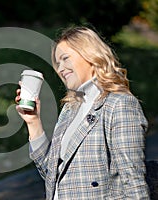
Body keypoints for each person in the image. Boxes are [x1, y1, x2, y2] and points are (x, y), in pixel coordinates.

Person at [15, 25, 150, 199]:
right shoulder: (70, 109)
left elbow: (133, 182)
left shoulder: (119, 104)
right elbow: (52, 177)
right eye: (58, 63)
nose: (61, 68)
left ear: (90, 55)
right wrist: (33, 122)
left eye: (65, 58)